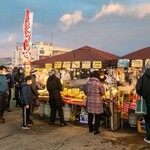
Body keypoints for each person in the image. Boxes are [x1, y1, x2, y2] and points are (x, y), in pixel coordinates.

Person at [84, 71, 105, 135]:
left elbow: (85, 92)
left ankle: (90, 128)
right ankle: (96, 130)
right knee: (97, 116)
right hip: (97, 102)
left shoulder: (88, 83)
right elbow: (103, 92)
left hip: (90, 101)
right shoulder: (99, 84)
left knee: (90, 115)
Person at [136, 63, 150, 144]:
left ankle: (149, 138)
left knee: (148, 120)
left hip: (146, 102)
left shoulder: (142, 78)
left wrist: (143, 94)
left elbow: (138, 89)